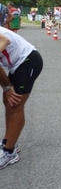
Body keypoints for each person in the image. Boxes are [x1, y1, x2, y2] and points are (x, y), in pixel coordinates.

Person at [0, 27, 43, 169]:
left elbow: (5, 40)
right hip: (17, 65)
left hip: (28, 60)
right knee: (8, 101)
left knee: (15, 105)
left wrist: (7, 87)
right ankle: (8, 141)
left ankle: (9, 152)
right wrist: (6, 89)